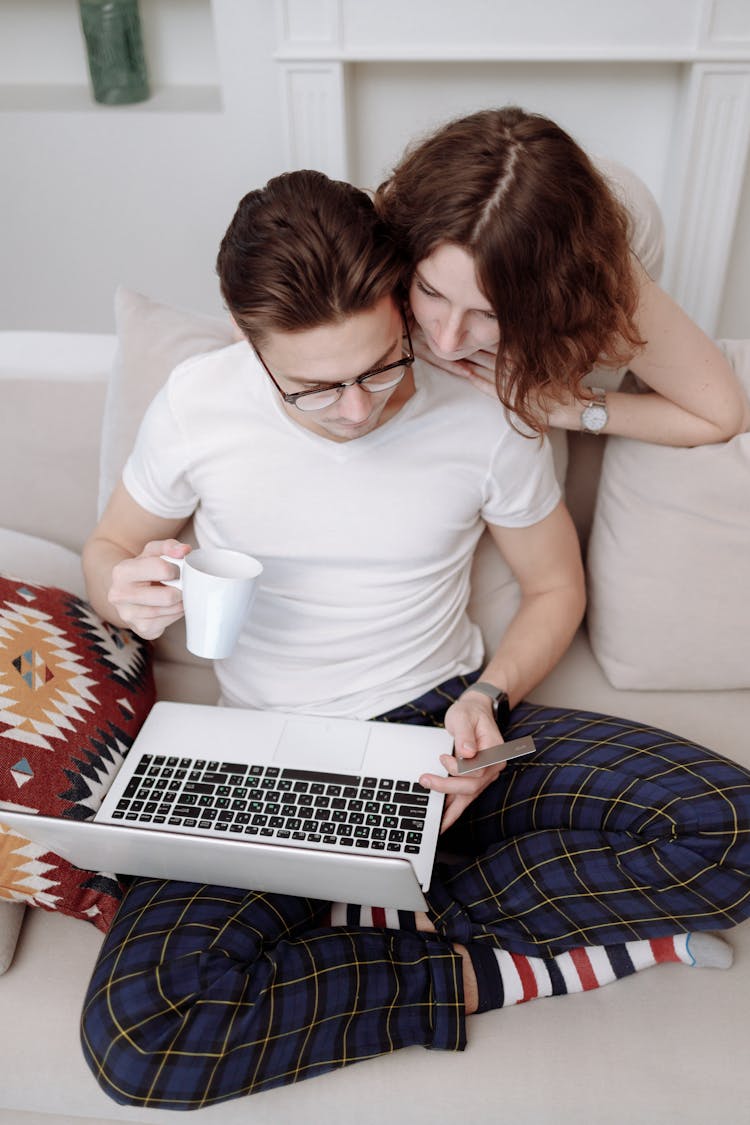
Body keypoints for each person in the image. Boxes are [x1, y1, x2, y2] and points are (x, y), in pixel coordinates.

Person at [79, 170, 750, 1110]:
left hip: (442, 724)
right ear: (249, 341)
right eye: (315, 387)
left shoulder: (480, 403)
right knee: (139, 1037)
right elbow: (107, 548)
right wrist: (121, 590)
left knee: (730, 829)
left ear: (406, 305)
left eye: (381, 365)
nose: (358, 409)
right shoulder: (197, 403)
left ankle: (381, 883)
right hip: (266, 751)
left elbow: (556, 586)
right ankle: (491, 966)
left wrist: (490, 697)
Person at [375, 105, 750, 447]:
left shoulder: (603, 286)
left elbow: (721, 416)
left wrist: (569, 407)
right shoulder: (392, 219)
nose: (446, 340)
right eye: (430, 290)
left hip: (613, 235)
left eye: (491, 313)